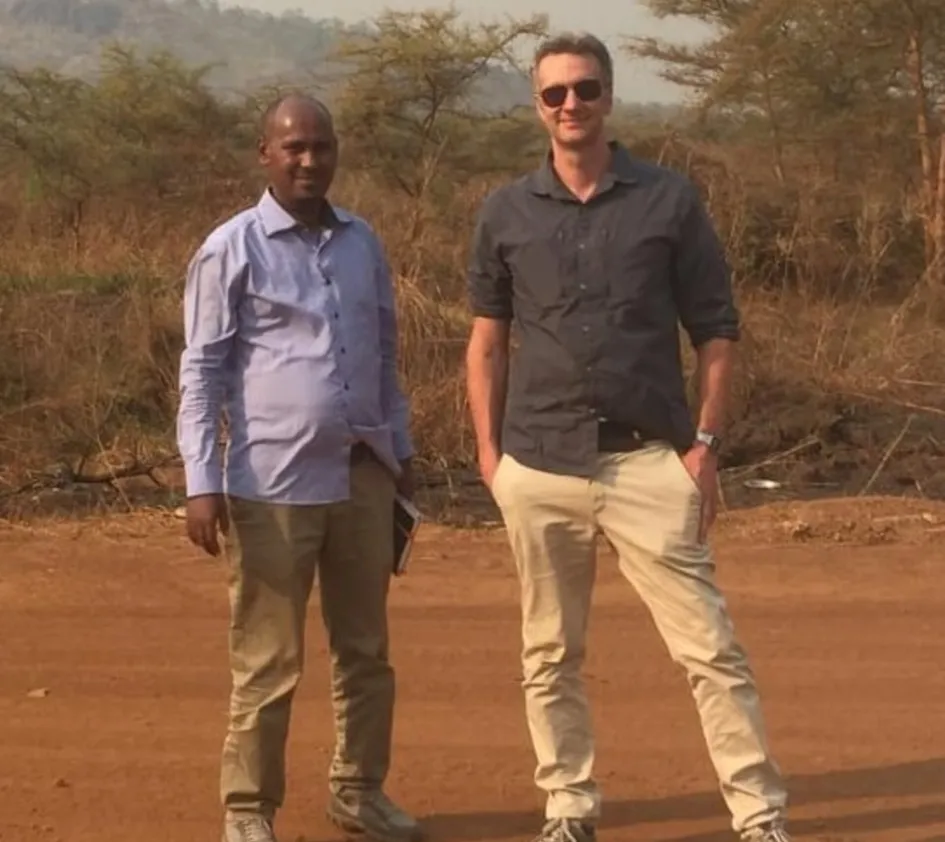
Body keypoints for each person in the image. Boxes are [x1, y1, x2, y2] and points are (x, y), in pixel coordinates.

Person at [464, 32, 792, 842]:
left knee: (709, 650)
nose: (570, 104)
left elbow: (714, 331)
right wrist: (490, 459)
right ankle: (568, 807)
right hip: (539, 461)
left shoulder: (668, 201)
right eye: (554, 93)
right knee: (548, 656)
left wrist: (704, 446)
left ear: (608, 96)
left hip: (648, 460)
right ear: (537, 107)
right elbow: (486, 343)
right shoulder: (505, 211)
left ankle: (757, 814)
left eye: (584, 88)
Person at [176, 92, 424, 842]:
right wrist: (201, 481)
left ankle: (359, 792)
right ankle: (248, 808)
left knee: (366, 652)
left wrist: (401, 451)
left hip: (361, 475)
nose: (310, 160)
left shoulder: (361, 243)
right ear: (266, 154)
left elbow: (383, 353)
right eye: (294, 147)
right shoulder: (232, 248)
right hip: (271, 485)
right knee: (268, 659)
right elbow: (202, 371)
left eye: (322, 146)